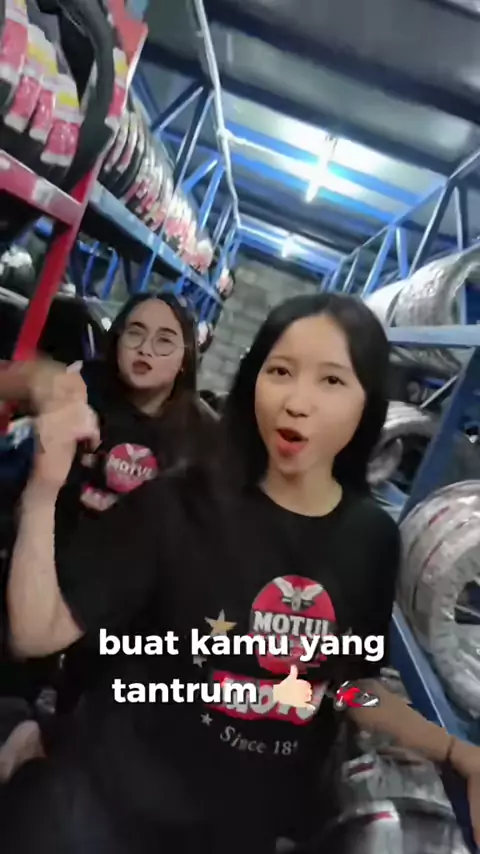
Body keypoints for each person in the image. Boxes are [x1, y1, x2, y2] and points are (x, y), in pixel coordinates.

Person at [5, 293, 480, 853]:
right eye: (281, 372)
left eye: (331, 380)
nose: (297, 403)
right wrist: (44, 488)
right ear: (254, 383)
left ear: (367, 403)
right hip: (112, 811)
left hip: (235, 831)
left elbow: (352, 688)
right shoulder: (177, 502)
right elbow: (36, 632)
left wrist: (456, 752)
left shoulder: (371, 540)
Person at [1, 292, 214, 712]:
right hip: (44, 566)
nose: (146, 348)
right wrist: (38, 379)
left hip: (118, 609)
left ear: (185, 358)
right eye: (135, 333)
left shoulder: (204, 435)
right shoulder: (80, 387)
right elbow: (13, 378)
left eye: (164, 340)